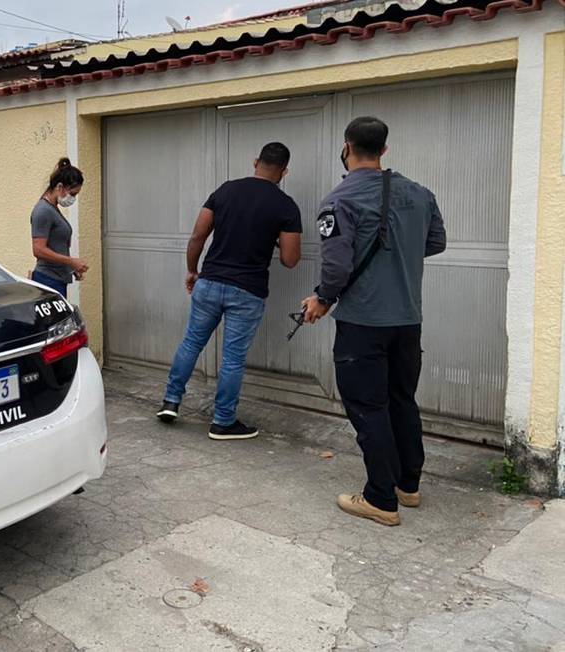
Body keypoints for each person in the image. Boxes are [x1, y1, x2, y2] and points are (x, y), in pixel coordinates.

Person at [301, 116, 446, 527]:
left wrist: (322, 300)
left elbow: (336, 266)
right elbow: (435, 242)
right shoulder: (420, 194)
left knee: (368, 407)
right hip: (407, 320)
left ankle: (381, 499)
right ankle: (408, 485)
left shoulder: (340, 200)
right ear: (384, 150)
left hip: (364, 323)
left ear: (347, 147)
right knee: (402, 400)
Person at [158, 142, 302, 440]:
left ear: (255, 162)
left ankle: (171, 402)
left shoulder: (225, 190)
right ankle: (223, 422)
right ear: (284, 172)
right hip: (247, 292)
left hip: (209, 283)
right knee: (232, 358)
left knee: (191, 343)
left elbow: (198, 235)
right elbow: (290, 260)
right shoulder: (285, 205)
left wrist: (192, 270)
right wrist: (273, 238)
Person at [31, 157, 88, 298]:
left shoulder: (52, 209)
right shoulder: (43, 211)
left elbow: (56, 246)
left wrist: (70, 268)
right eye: (73, 194)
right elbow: (38, 250)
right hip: (47, 280)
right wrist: (71, 261)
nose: (73, 198)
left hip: (57, 279)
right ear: (60, 187)